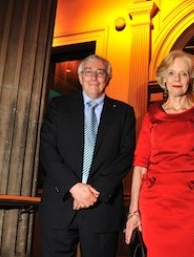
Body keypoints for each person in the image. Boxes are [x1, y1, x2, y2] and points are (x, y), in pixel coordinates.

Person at [39, 54, 135, 257]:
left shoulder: (124, 112)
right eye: (88, 72)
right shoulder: (59, 106)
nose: (94, 77)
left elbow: (125, 156)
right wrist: (73, 186)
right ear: (80, 77)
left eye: (100, 72)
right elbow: (47, 150)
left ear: (108, 79)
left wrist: (94, 191)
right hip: (60, 204)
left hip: (101, 208)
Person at [124, 50, 194, 257]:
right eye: (172, 73)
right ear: (163, 79)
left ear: (191, 80)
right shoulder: (152, 116)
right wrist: (133, 211)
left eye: (183, 74)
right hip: (154, 204)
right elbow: (140, 164)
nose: (177, 79)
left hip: (191, 203)